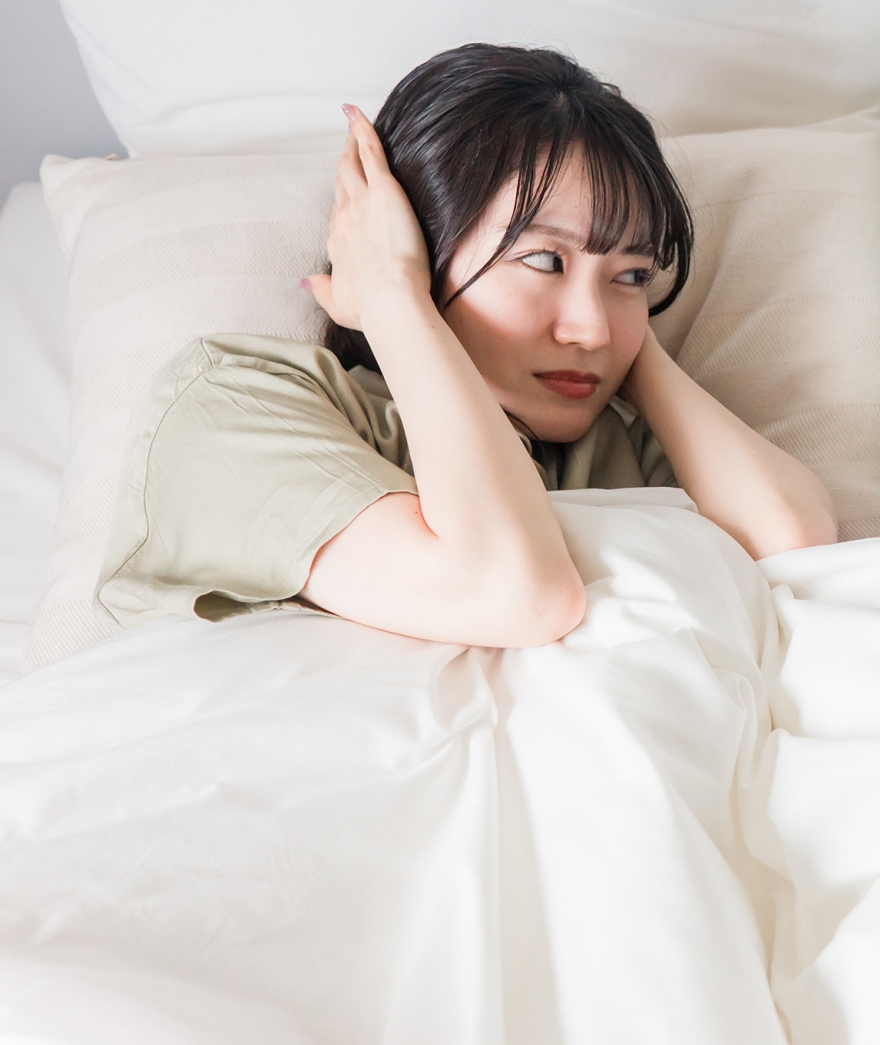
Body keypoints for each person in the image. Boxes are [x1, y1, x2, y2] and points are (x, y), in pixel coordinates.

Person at [97, 44, 836, 648]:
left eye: (634, 275)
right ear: (417, 242)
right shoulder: (233, 404)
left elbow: (795, 545)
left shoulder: (614, 445)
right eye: (543, 260)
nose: (591, 329)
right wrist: (393, 296)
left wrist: (630, 342)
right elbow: (513, 592)